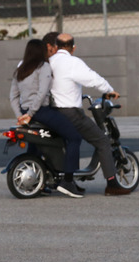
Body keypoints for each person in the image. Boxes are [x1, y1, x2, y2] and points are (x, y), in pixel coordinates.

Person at [49, 34, 129, 196]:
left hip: (52, 113)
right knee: (102, 140)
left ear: (56, 47)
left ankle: (68, 179)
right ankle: (112, 184)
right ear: (73, 48)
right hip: (71, 113)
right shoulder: (73, 62)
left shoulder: (49, 62)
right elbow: (92, 79)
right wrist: (109, 90)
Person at [10, 39, 84, 198]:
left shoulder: (20, 70)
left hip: (25, 111)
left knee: (37, 142)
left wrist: (21, 116)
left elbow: (13, 97)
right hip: (41, 111)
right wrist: (30, 114)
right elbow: (42, 93)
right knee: (74, 137)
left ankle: (42, 182)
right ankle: (68, 182)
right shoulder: (43, 67)